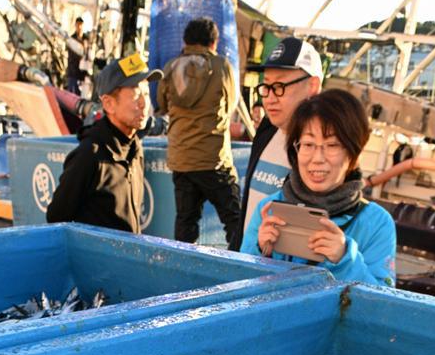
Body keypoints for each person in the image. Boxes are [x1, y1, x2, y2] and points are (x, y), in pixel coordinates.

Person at [240, 89, 396, 287]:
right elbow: (240, 284)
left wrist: (344, 258)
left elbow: (383, 305)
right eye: (308, 144)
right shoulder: (269, 208)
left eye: (332, 145)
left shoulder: (376, 222)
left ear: (353, 154)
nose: (317, 158)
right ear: (295, 150)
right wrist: (259, 250)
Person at [46, 53, 161, 233]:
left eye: (146, 93)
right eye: (136, 94)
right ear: (108, 104)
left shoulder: (134, 146)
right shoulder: (89, 155)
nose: (144, 103)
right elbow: (56, 217)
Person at [156, 17, 240, 248]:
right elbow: (231, 104)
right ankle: (238, 272)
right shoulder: (221, 66)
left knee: (185, 221)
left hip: (181, 160)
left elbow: (162, 106)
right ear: (214, 42)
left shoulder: (171, 67)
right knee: (235, 221)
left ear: (185, 41)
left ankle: (183, 270)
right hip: (213, 160)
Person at [235, 36, 323, 248]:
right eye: (266, 86)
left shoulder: (323, 154)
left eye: (280, 86)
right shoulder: (267, 129)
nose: (270, 98)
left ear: (312, 86)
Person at [66, 17, 86, 95]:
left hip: (82, 73)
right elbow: (72, 55)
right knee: (71, 94)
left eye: (81, 25)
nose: (79, 27)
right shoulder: (72, 39)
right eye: (78, 25)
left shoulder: (86, 38)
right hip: (73, 72)